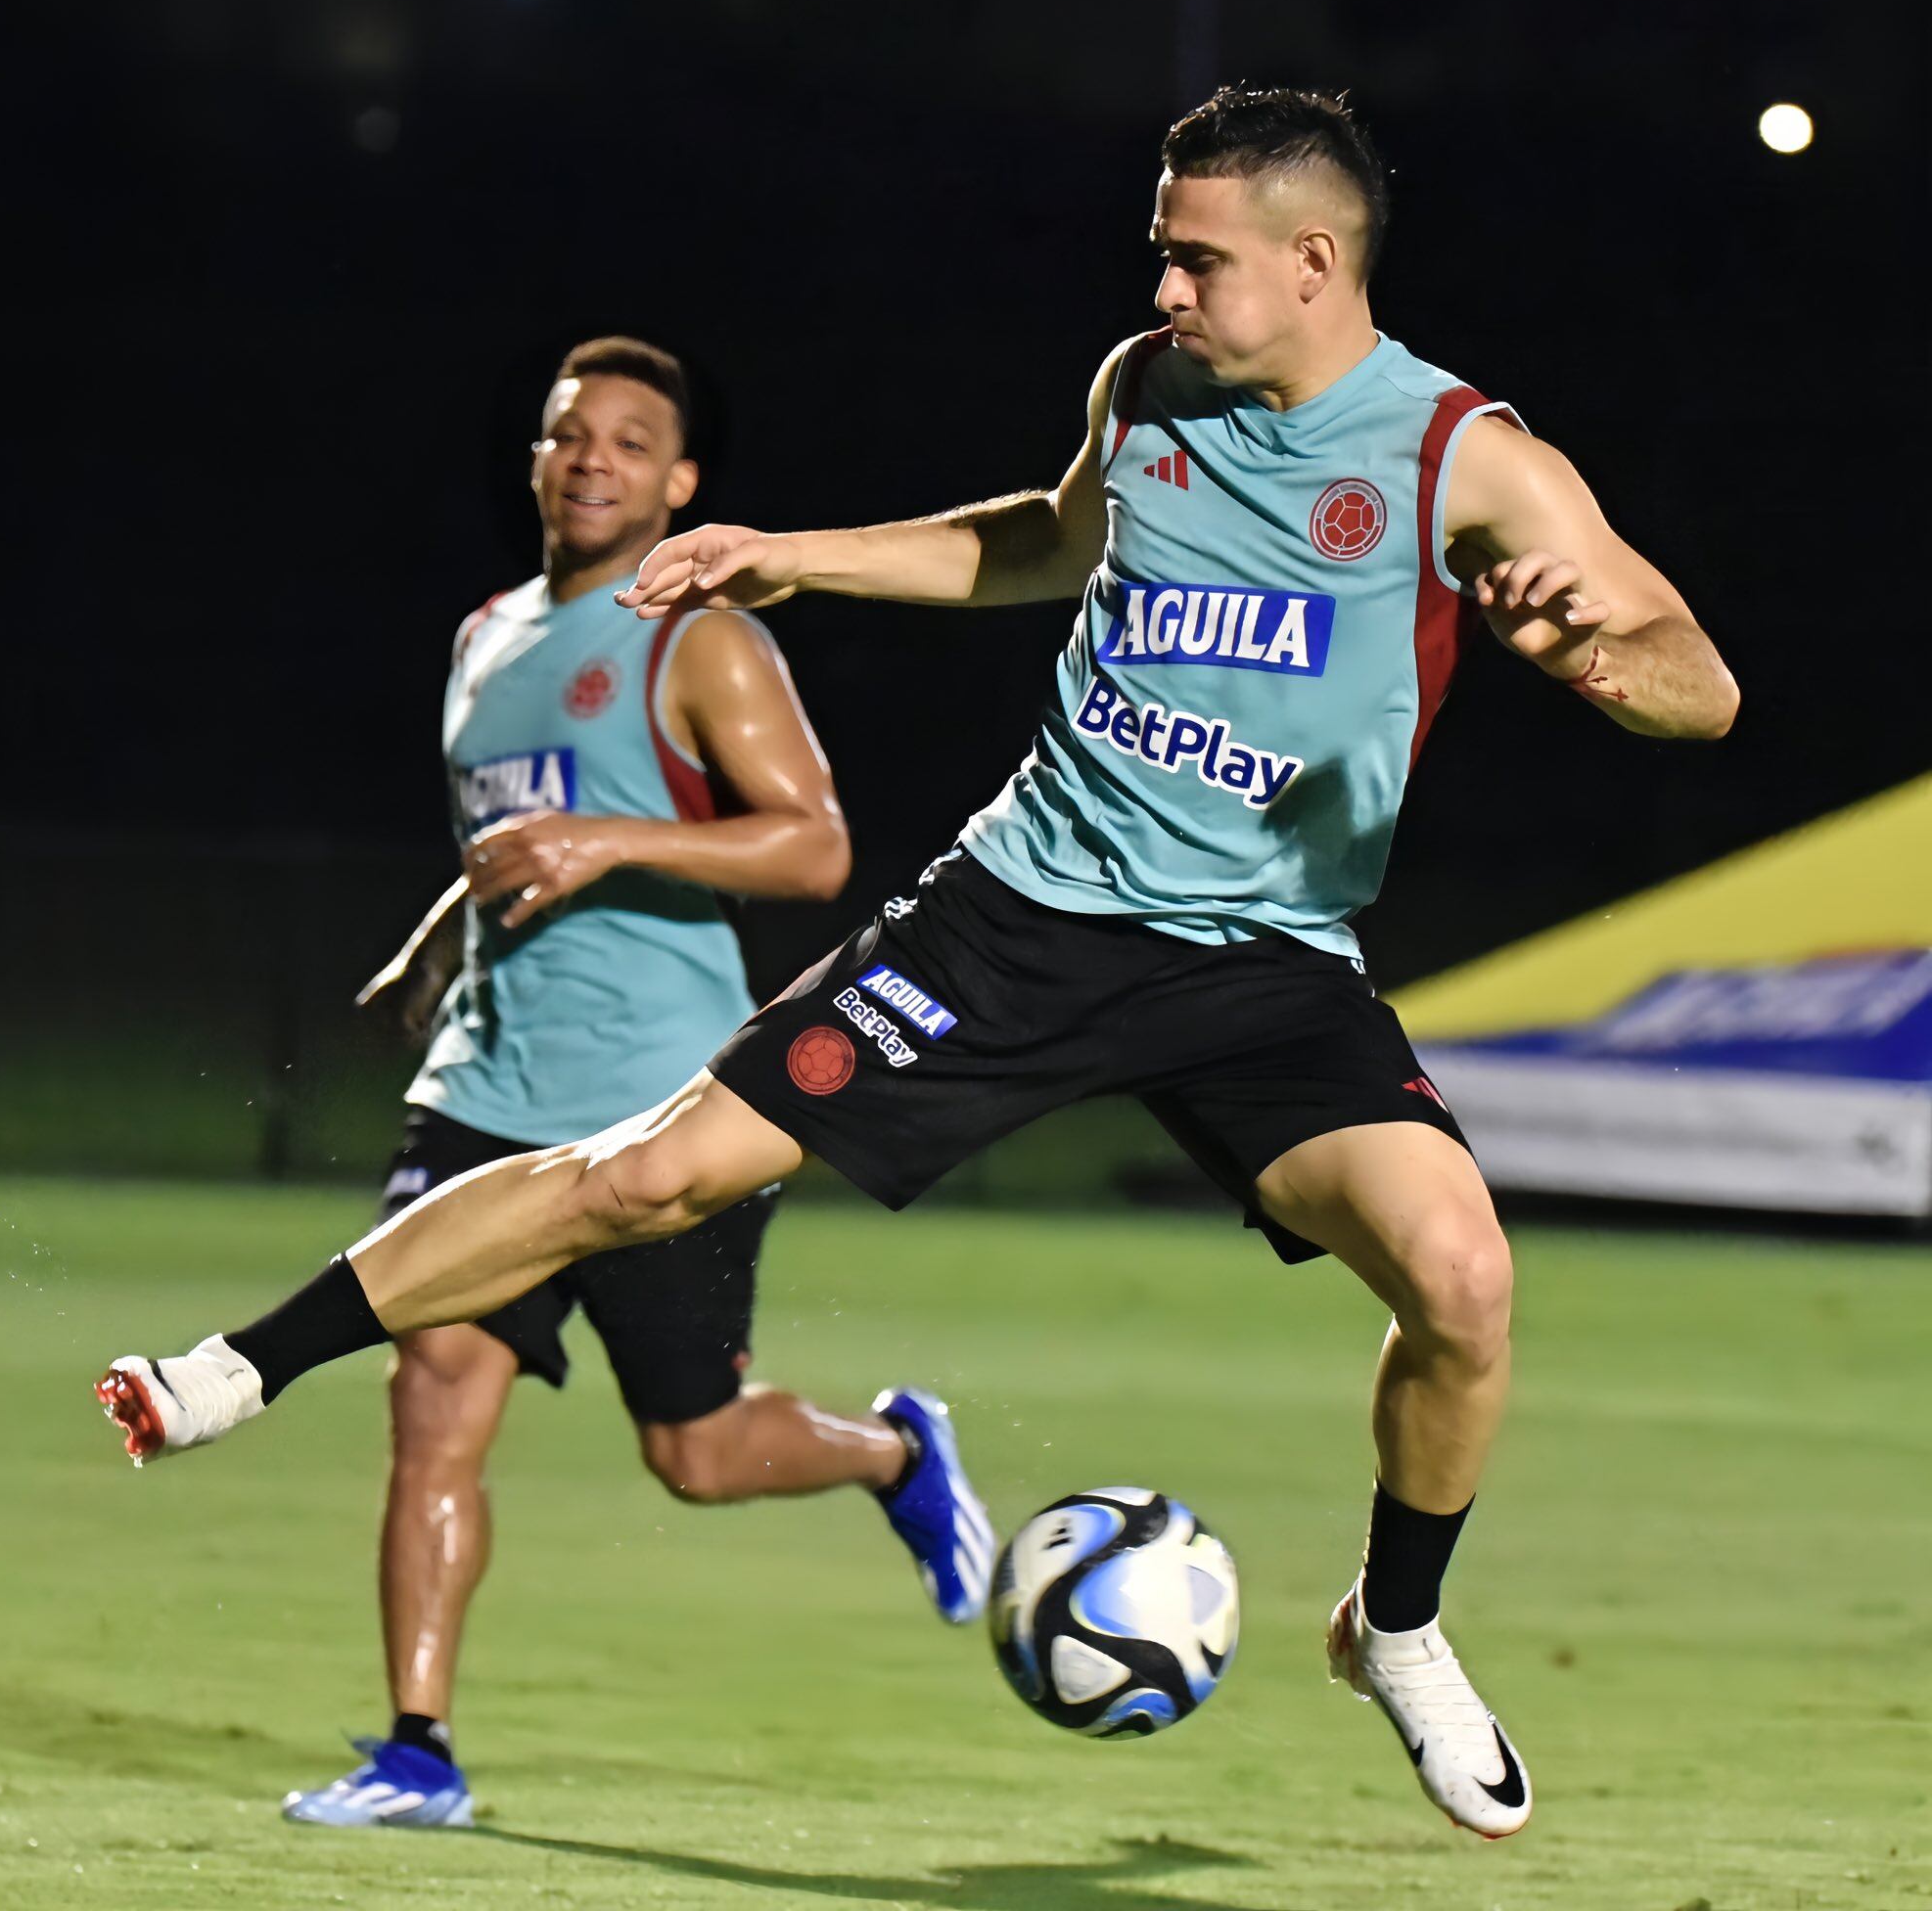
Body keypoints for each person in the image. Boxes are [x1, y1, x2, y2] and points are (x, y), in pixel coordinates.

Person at [100, 92, 1737, 1841]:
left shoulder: (1458, 455)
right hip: (1018, 917)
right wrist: (788, 557)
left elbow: (1698, 678)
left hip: (1262, 961)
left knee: (1465, 1285)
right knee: (650, 1176)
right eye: (1160, 256)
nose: (1165, 286)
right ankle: (238, 1369)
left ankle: (1393, 1631)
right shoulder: (1148, 385)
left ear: (1315, 259)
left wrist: (1595, 660)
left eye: (1197, 257)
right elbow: (1047, 535)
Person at [243, 336, 991, 1832]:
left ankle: (897, 1452)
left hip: (669, 1109)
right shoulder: (482, 638)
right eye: (569, 433)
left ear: (682, 484)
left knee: (696, 1453)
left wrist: (619, 845)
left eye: (631, 442)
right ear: (535, 459)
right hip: (486, 1091)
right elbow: (518, 835)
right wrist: (430, 947)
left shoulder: (699, 636)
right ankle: (416, 1752)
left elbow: (815, 845)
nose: (594, 458)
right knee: (434, 1390)